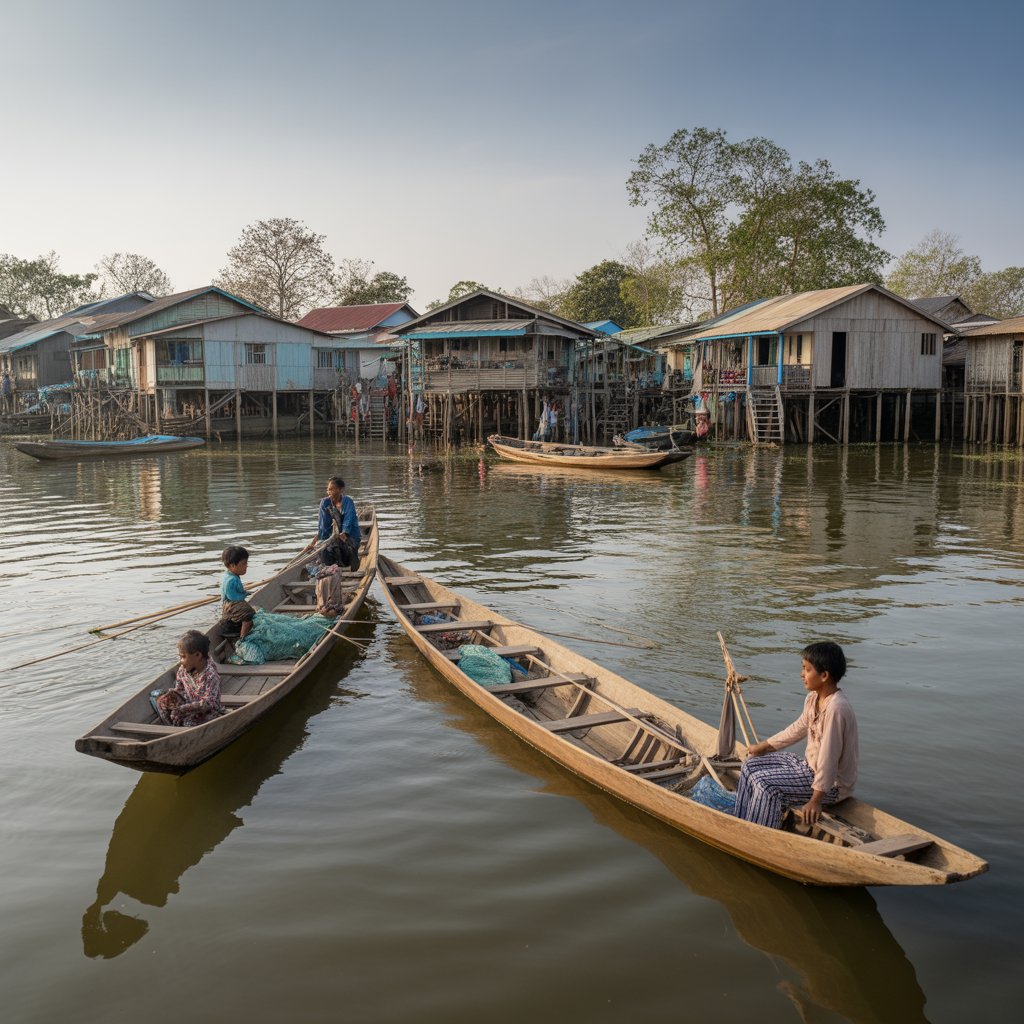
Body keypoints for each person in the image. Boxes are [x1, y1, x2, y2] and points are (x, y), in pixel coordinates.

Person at [733, 641, 858, 830]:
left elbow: (829, 758)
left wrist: (816, 800)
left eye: (807, 670)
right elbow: (798, 728)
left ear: (824, 675)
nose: (802, 674)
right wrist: (764, 747)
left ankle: (762, 834)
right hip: (809, 768)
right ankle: (742, 821)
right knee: (750, 764)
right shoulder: (813, 698)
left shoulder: (836, 708)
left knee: (766, 785)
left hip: (830, 786)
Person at [151, 630, 225, 727]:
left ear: (198, 655)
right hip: (189, 704)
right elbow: (179, 689)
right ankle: (172, 727)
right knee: (162, 701)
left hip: (208, 711)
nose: (180, 661)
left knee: (188, 722)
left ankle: (182, 726)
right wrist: (171, 695)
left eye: (183, 657)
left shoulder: (211, 675)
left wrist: (183, 709)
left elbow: (207, 704)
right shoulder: (183, 671)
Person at [306, 476, 360, 570]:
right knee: (322, 549)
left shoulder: (348, 501)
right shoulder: (325, 502)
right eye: (328, 490)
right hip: (332, 537)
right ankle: (332, 566)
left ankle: (345, 561)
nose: (329, 492)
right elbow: (323, 524)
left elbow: (348, 519)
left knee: (348, 550)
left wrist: (345, 533)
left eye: (331, 489)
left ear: (340, 490)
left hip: (349, 535)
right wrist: (318, 540)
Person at [220, 545, 255, 639]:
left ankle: (233, 626)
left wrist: (243, 592)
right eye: (244, 564)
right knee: (249, 614)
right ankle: (243, 637)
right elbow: (233, 597)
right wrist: (244, 594)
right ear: (232, 565)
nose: (246, 566)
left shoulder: (228, 575)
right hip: (232, 603)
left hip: (227, 603)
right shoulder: (231, 580)